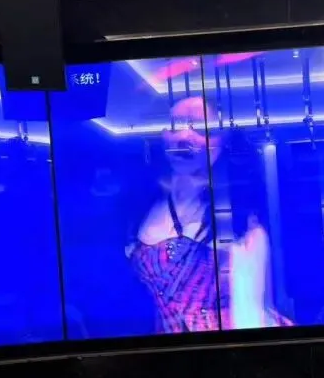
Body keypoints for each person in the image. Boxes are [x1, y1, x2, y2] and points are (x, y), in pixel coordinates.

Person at [124, 96, 291, 333]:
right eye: (176, 125)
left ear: (223, 141)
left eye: (201, 129)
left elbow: (250, 314)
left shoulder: (239, 220)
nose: (184, 136)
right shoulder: (142, 205)